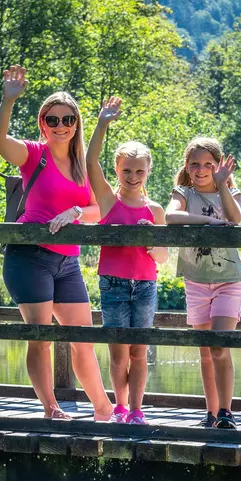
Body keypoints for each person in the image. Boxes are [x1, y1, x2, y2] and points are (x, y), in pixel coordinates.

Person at [0, 65, 113, 421]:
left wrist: (75, 211)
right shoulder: (34, 155)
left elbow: (99, 210)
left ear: (76, 123)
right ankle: (51, 409)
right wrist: (8, 101)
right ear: (43, 124)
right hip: (29, 258)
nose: (61, 126)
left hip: (67, 262)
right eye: (53, 120)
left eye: (68, 119)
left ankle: (103, 409)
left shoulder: (83, 165)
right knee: (40, 337)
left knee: (82, 339)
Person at [85, 96, 168, 425]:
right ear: (117, 170)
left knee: (139, 352)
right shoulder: (108, 200)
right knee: (119, 353)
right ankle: (119, 407)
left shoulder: (156, 210)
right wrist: (102, 123)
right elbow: (91, 162)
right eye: (125, 170)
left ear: (148, 171)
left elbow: (162, 257)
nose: (132, 176)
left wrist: (150, 240)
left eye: (139, 171)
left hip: (146, 285)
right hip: (114, 283)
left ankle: (136, 410)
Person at [165, 137, 241, 429]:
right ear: (187, 166)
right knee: (205, 351)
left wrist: (222, 185)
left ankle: (226, 412)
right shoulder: (183, 192)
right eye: (195, 164)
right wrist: (209, 222)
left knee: (219, 347)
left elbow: (235, 218)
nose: (201, 170)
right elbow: (170, 215)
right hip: (196, 281)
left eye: (209, 164)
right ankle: (211, 414)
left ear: (219, 166)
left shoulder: (232, 192)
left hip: (228, 281)